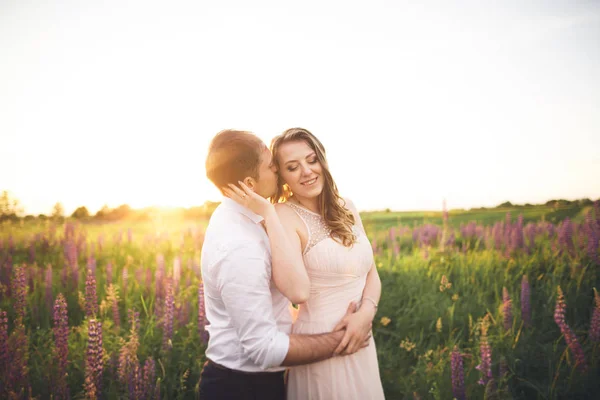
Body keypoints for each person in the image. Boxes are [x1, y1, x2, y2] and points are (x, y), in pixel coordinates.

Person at [199, 129, 370, 400]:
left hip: (263, 378)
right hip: (243, 387)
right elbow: (264, 349)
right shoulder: (240, 248)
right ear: (249, 184)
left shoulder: (245, 217)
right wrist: (345, 339)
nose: (278, 171)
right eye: (273, 166)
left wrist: (365, 311)